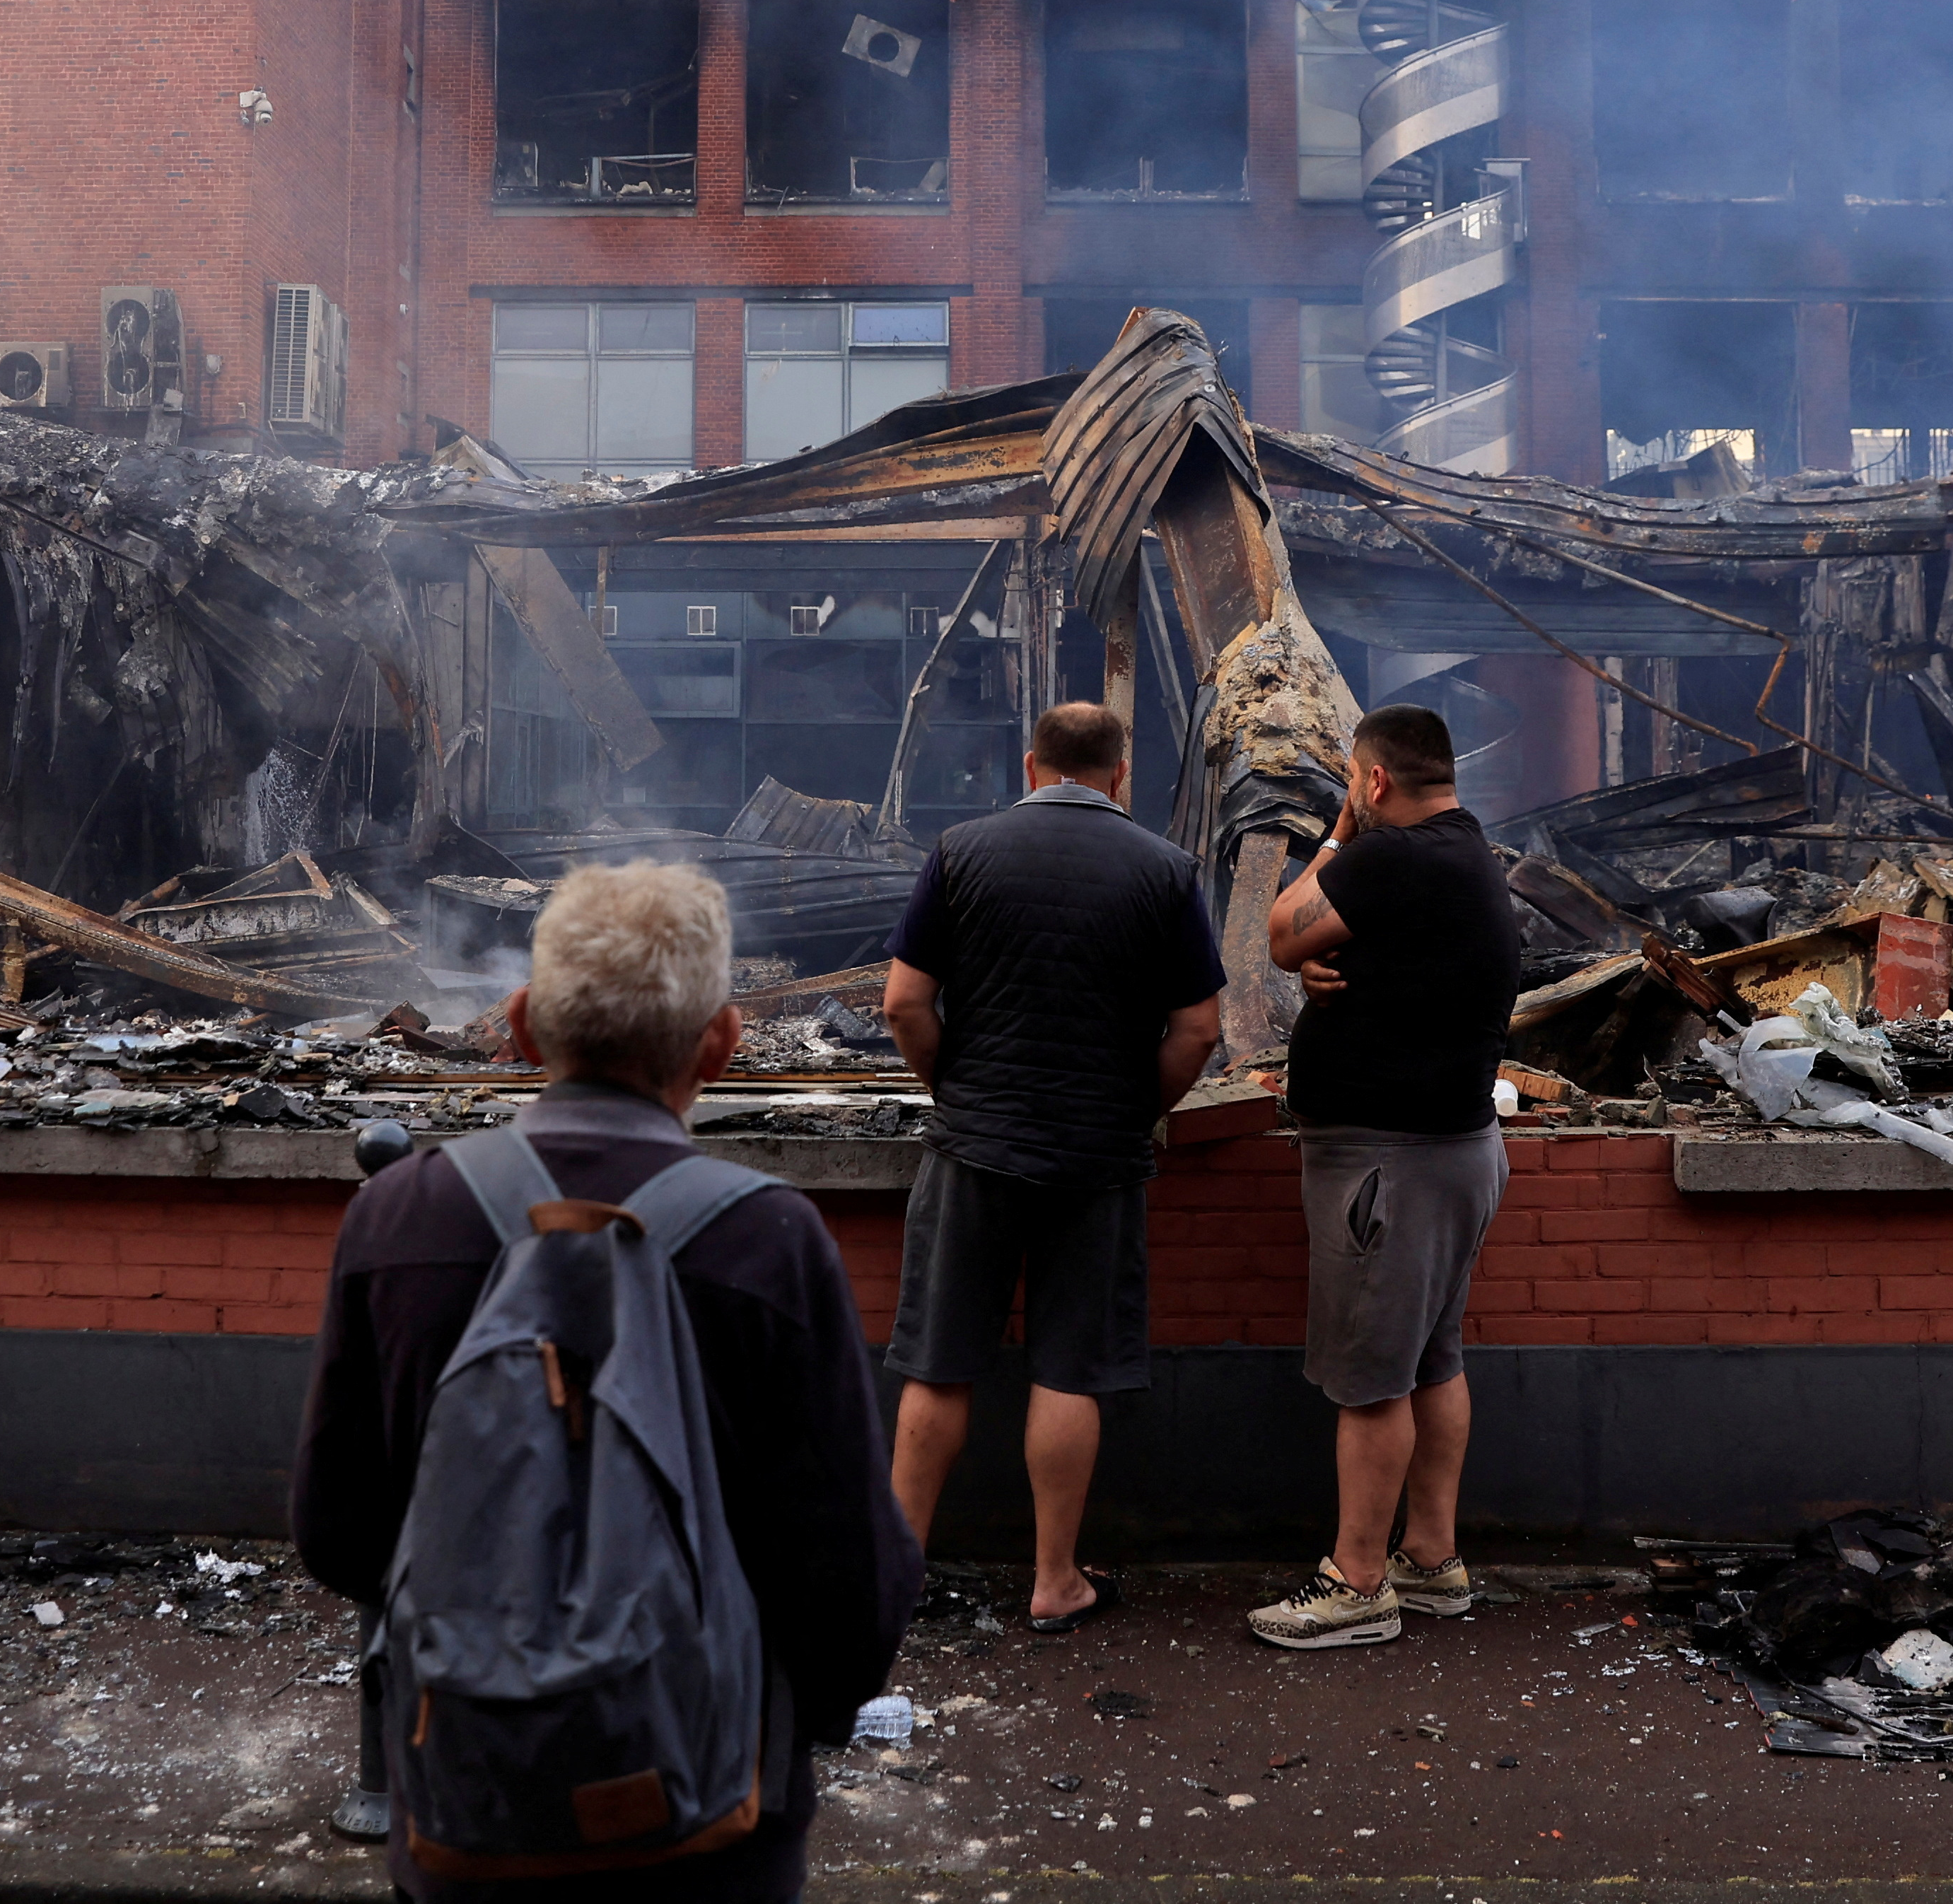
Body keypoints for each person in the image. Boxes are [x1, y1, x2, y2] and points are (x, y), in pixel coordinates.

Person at [296, 862, 921, 1901]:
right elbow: (851, 1574)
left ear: (520, 1026)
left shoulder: (398, 1218)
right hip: (712, 1822)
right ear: (721, 1043)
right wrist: (766, 1719)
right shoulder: (770, 1240)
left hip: (467, 1813)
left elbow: (338, 1531)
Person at [880, 701, 1230, 1630]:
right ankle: (1054, 1582)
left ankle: (896, 1575)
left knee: (938, 1363)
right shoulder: (1165, 869)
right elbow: (1199, 1029)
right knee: (1070, 1369)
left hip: (974, 1146)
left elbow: (904, 1003)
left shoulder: (960, 851)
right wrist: (1136, 1108)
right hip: (1096, 1155)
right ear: (1122, 774)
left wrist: (957, 1087)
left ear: (1031, 766)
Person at [1245, 701, 1520, 1649]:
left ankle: (1357, 1582)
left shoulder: (1390, 854)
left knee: (1371, 1380)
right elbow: (1371, 954)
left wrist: (1337, 834)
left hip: (1388, 1164)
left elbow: (1280, 931)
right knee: (1431, 1360)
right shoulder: (1464, 850)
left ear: (1372, 781)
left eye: (1353, 784)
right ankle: (1431, 1561)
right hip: (1452, 1151)